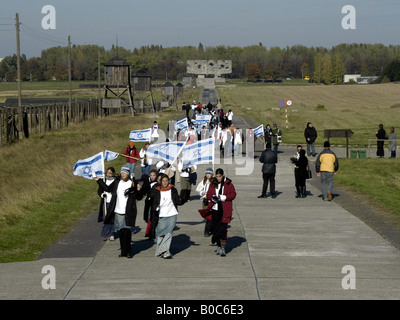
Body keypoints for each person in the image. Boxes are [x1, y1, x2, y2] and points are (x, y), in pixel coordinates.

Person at [94, 166, 143, 258]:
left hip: (128, 211)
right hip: (118, 210)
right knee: (121, 231)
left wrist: (139, 190)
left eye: (125, 173)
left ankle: (128, 251)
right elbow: (107, 188)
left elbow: (139, 197)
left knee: (127, 231)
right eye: (122, 173)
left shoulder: (132, 183)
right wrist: (98, 180)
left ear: (128, 175)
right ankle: (123, 251)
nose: (123, 175)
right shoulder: (117, 182)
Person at [206, 168, 236, 256]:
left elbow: (233, 194)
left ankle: (223, 248)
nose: (218, 178)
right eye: (217, 176)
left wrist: (224, 197)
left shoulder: (229, 184)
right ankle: (219, 246)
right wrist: (212, 197)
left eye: (220, 176)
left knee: (223, 229)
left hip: (225, 210)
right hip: (215, 209)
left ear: (223, 175)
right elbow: (208, 195)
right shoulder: (213, 184)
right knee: (215, 228)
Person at [151, 174, 183, 259]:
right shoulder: (156, 190)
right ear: (160, 182)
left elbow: (177, 200)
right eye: (163, 181)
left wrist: (183, 199)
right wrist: (156, 207)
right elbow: (152, 201)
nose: (165, 183)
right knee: (161, 233)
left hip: (172, 214)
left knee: (169, 232)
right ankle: (159, 250)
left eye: (166, 181)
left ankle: (166, 251)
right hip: (161, 214)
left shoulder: (172, 189)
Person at [97, 167, 116, 240]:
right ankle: (107, 232)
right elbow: (99, 190)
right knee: (105, 217)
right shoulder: (103, 180)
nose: (109, 175)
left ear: (113, 173)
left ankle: (111, 234)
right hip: (105, 202)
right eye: (108, 173)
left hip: (112, 202)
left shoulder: (115, 181)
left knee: (111, 218)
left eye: (110, 173)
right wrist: (102, 194)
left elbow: (109, 188)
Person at [196, 168, 214, 237]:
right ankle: (207, 231)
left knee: (212, 217)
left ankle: (209, 230)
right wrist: (202, 193)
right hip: (205, 201)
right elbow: (199, 189)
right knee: (208, 217)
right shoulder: (204, 181)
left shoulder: (214, 181)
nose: (208, 175)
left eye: (209, 174)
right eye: (207, 174)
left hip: (212, 201)